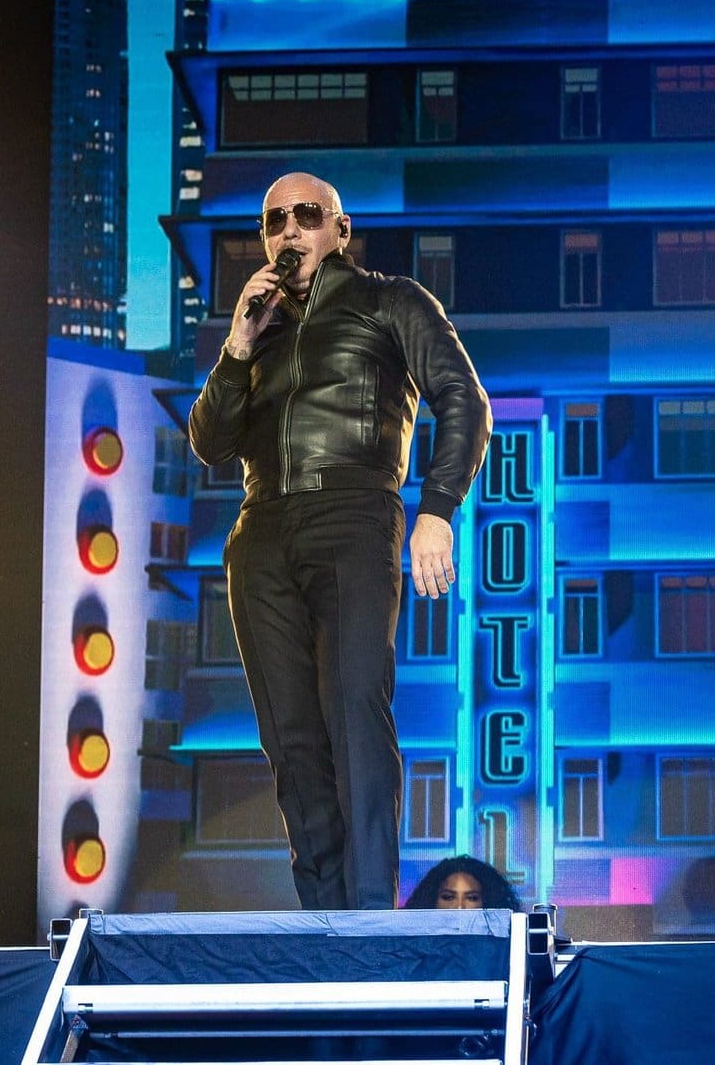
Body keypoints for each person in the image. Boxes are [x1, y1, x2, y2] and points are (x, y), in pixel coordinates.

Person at [188, 172, 491, 910]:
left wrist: (437, 509)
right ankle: (323, 916)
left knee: (355, 706)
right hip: (261, 530)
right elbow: (210, 442)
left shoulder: (391, 300)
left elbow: (464, 398)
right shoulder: (257, 331)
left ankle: (369, 910)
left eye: (306, 215)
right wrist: (237, 347)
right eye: (274, 221)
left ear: (340, 229)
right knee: (289, 734)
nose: (289, 230)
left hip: (355, 512)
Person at [403, 855, 523, 911]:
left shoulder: (505, 949)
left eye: (472, 898)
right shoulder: (412, 949)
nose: (459, 907)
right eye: (448, 897)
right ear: (431, 900)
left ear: (488, 902)